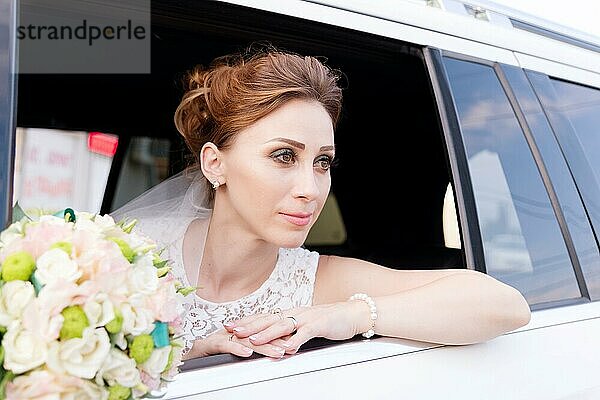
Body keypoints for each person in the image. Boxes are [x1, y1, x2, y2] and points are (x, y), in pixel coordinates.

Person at [111, 45, 531, 361]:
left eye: (322, 162)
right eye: (284, 156)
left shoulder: (319, 281)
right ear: (215, 163)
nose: (311, 189)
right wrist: (187, 352)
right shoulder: (129, 255)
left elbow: (505, 305)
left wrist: (351, 315)